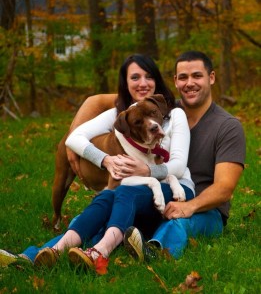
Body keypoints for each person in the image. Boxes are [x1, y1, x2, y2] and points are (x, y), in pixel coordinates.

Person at [0, 54, 195, 269]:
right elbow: (74, 138)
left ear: (157, 79)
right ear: (125, 83)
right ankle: (36, 256)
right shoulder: (119, 115)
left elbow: (178, 165)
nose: (142, 83)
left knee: (118, 194)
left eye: (148, 76)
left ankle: (99, 252)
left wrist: (147, 171)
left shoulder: (175, 115)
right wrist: (105, 160)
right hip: (134, 190)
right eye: (134, 78)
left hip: (166, 186)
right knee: (105, 199)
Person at [123, 50, 246, 259]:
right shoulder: (160, 114)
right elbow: (117, 101)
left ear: (212, 78)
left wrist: (189, 206)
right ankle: (74, 247)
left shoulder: (228, 127)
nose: (190, 83)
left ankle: (155, 252)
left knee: (177, 223)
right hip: (162, 196)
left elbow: (224, 188)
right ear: (175, 81)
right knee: (114, 207)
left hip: (205, 210)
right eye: (183, 77)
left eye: (197, 76)